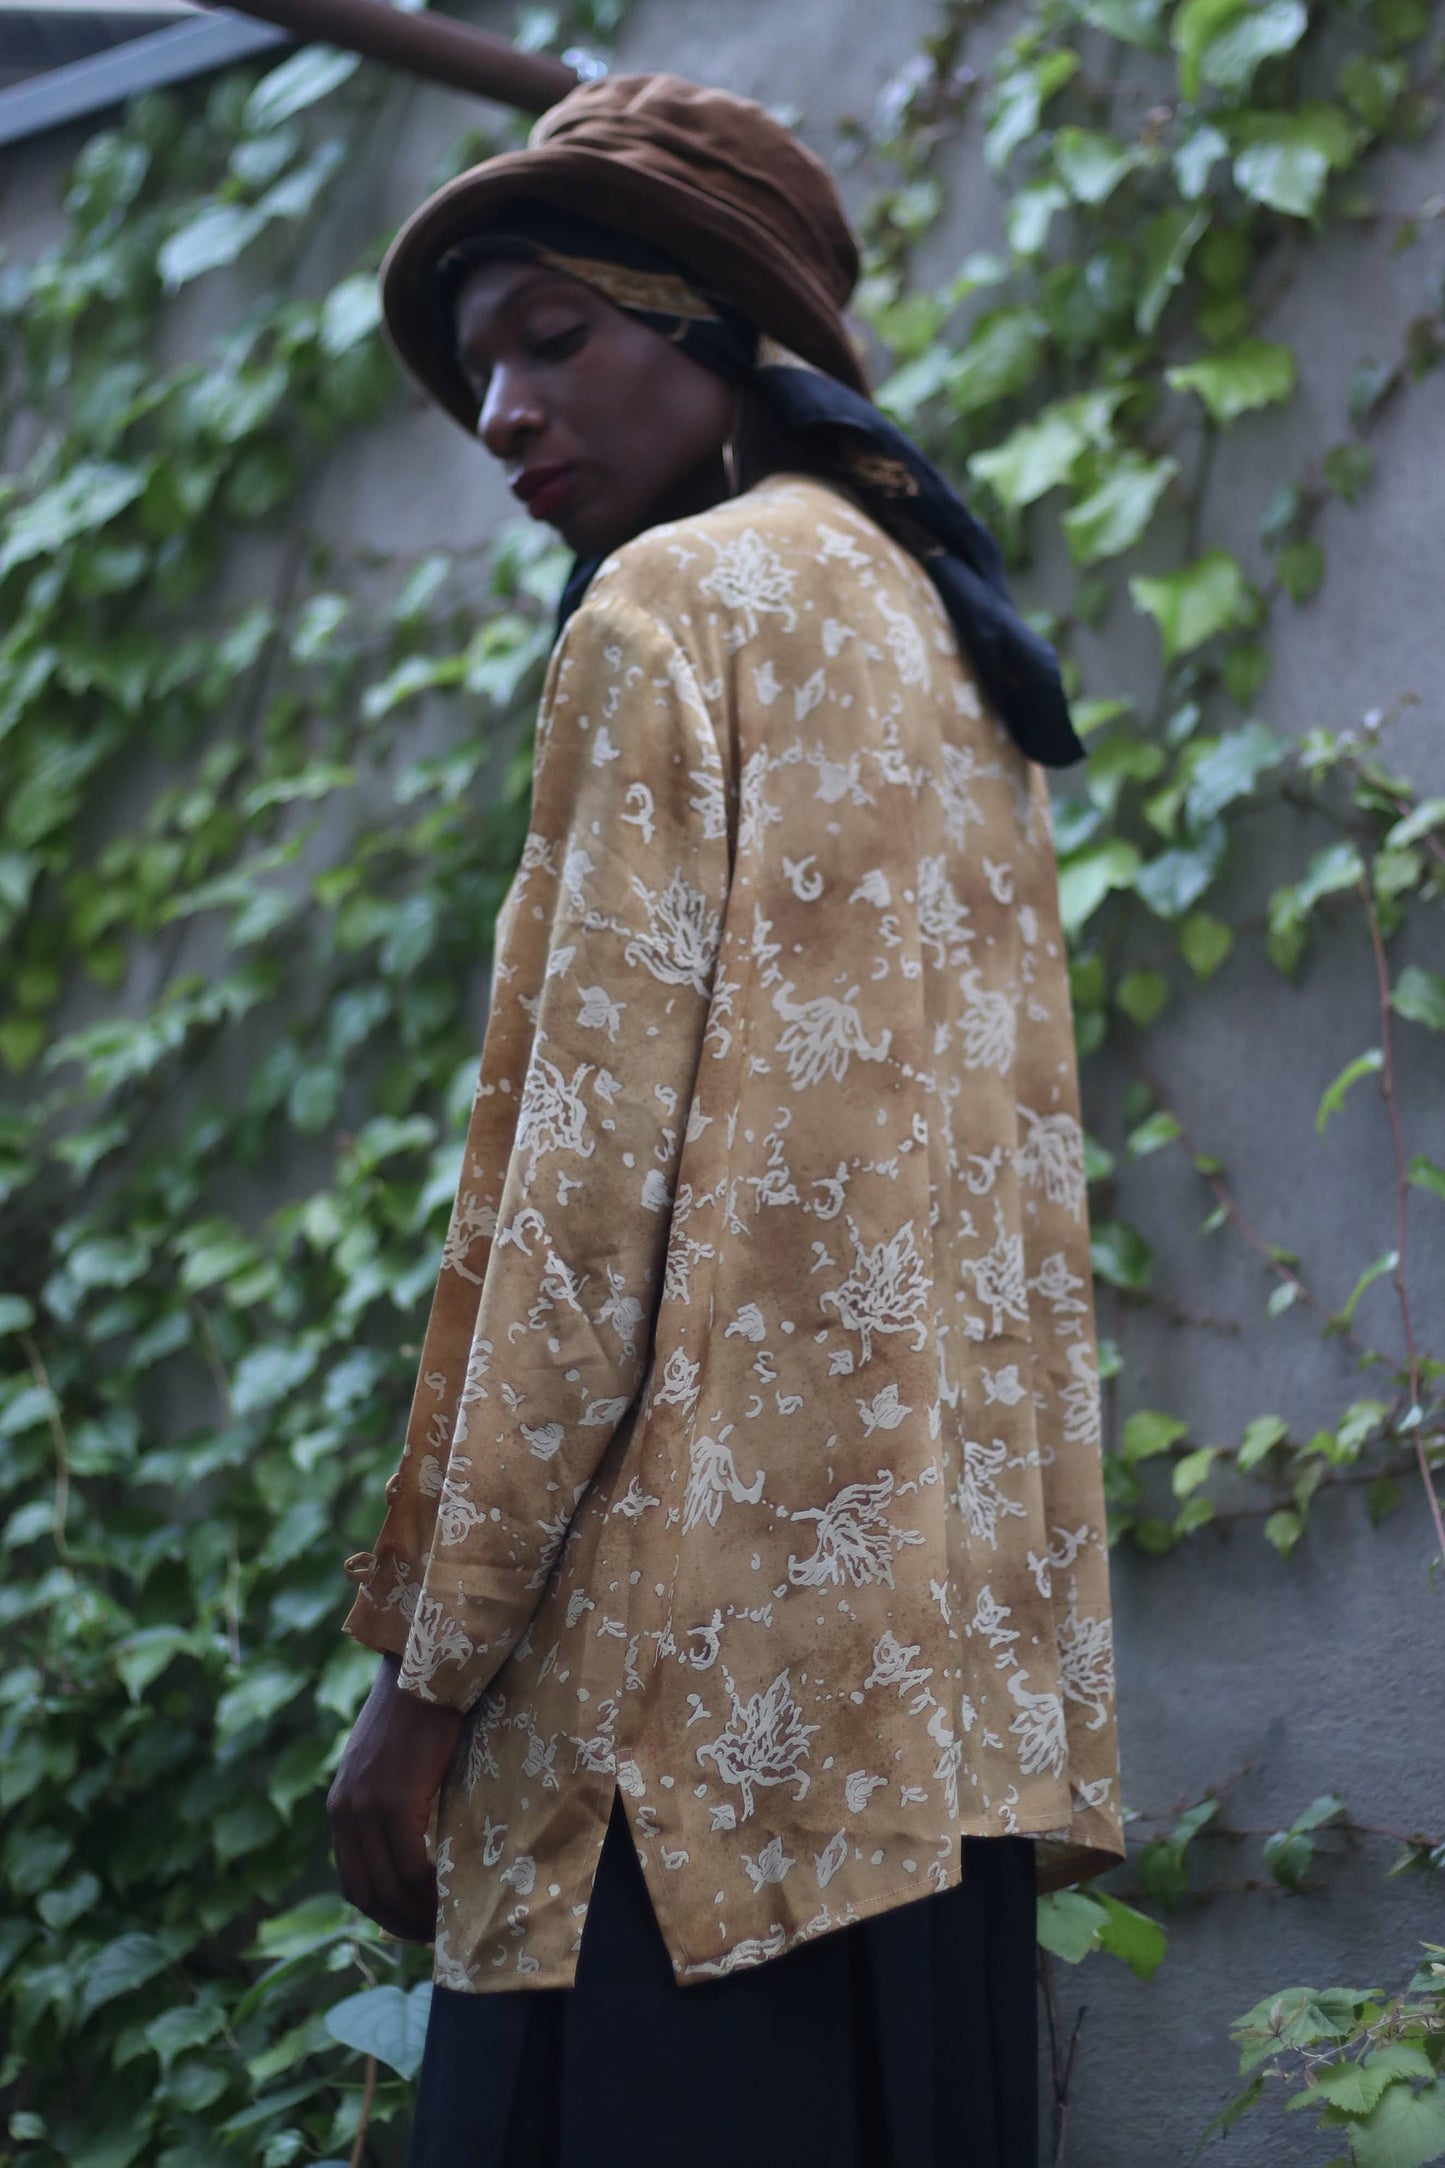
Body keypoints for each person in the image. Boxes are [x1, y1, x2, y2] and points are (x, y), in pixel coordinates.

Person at [328, 70, 1123, 2168]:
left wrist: (423, 1688)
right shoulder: (955, 653)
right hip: (920, 1759)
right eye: (484, 363)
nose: (501, 413)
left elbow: (574, 1215)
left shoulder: (678, 613)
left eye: (553, 337)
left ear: (709, 327)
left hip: (672, 1786)